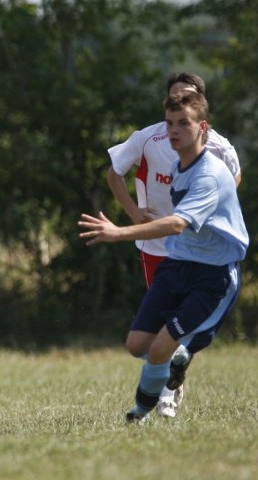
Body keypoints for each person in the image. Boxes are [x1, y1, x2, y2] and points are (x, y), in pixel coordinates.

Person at [80, 90, 248, 424]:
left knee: (160, 348)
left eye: (183, 124)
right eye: (170, 123)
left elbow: (176, 223)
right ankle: (177, 359)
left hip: (213, 275)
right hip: (179, 263)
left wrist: (118, 232)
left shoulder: (209, 174)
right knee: (136, 344)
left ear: (202, 127)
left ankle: (140, 412)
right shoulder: (177, 164)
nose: (173, 131)